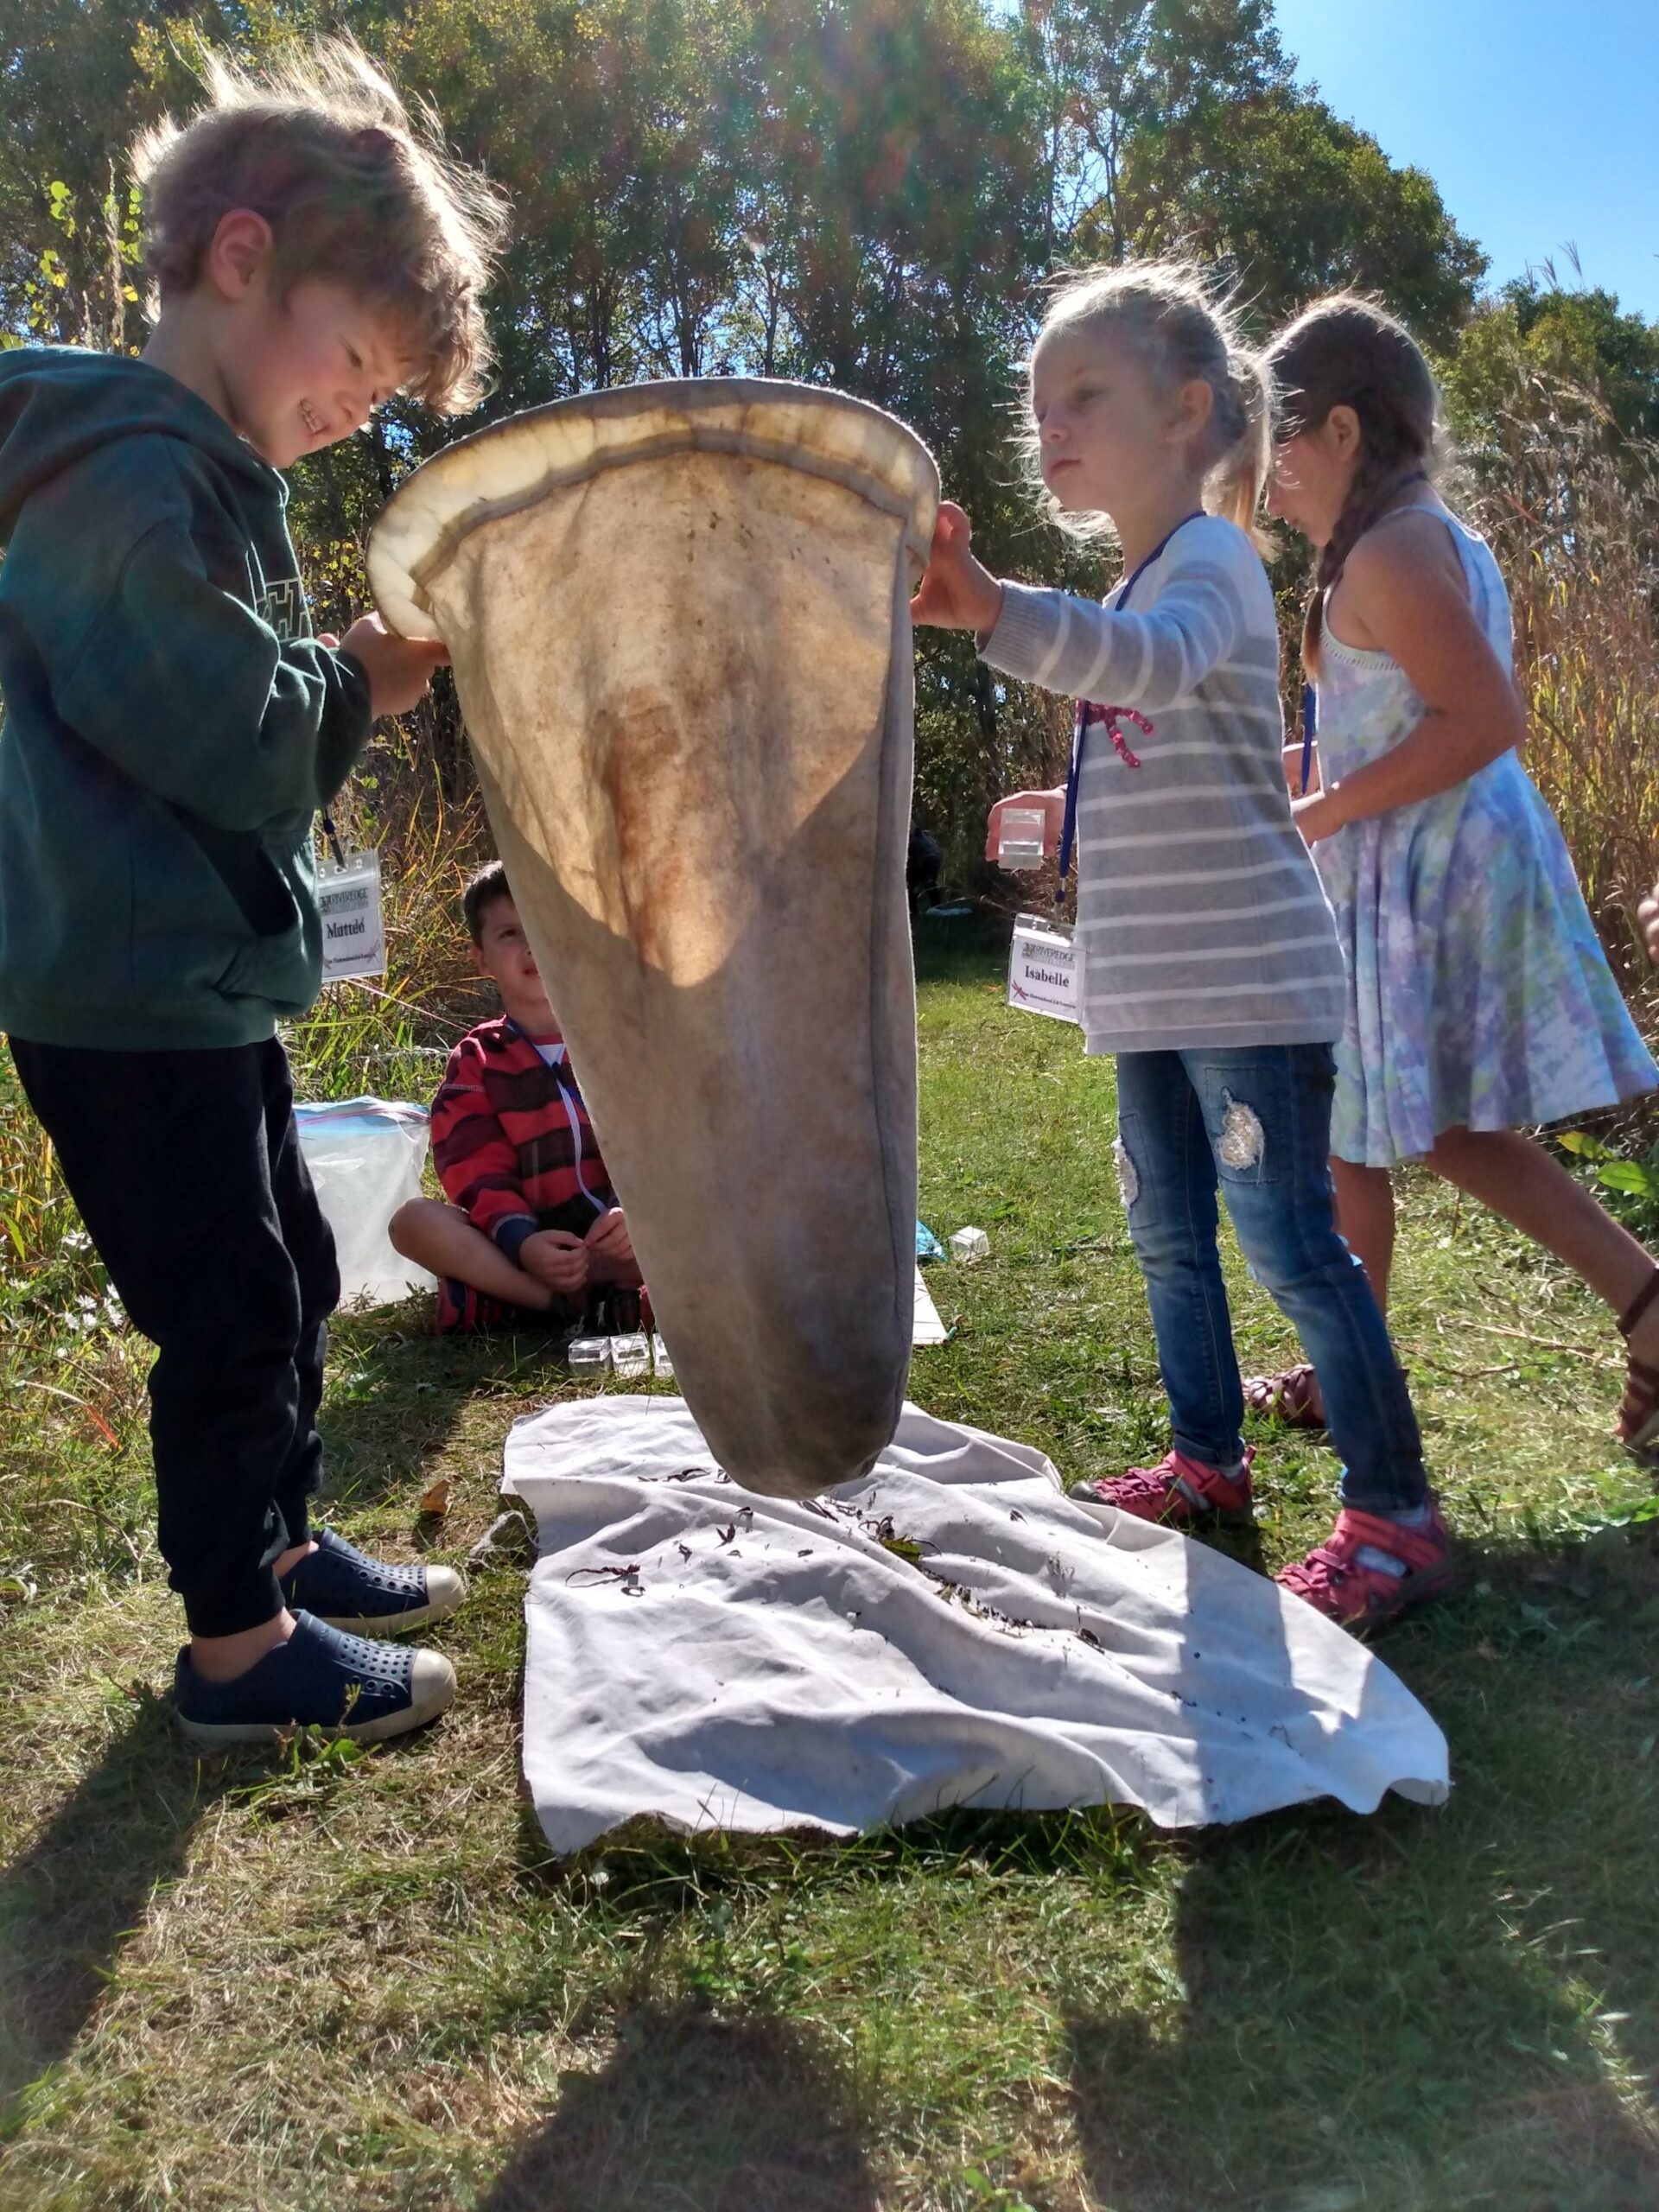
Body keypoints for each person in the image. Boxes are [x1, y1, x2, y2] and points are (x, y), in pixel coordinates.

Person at [0, 40, 509, 1747]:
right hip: (121, 984)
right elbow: (216, 725)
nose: (358, 407)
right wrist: (357, 678)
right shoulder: (122, 475)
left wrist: (334, 671)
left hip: (191, 977)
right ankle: (235, 1647)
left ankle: (281, 1548)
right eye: (354, 359)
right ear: (240, 262)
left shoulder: (197, 474)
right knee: (223, 1306)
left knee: (287, 1258)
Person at [911, 260, 1449, 1629]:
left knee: (1288, 1246)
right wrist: (1059, 804)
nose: (1053, 427)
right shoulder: (1145, 576)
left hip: (1248, 984)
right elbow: (1162, 740)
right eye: (1040, 409)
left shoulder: (1210, 557)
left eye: (1084, 395)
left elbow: (1143, 670)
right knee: (1169, 1238)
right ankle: (1209, 1464)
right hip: (1149, 989)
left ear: (1191, 408)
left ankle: (1395, 1510)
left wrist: (990, 608)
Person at [1253, 295, 1659, 1456]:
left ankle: (1365, 1361)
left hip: (1439, 869)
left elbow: (1483, 715)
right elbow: (1388, 722)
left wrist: (1324, 807)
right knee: (1393, 1130)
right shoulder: (1418, 539)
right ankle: (1365, 1356)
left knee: (1392, 1128)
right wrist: (1292, 778)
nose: (1265, 475)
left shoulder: (1389, 549)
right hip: (1426, 858)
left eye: (1275, 441)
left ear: (1337, 432)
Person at [391, 863, 645, 1332]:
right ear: (481, 959)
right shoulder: (477, 1060)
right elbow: (475, 1169)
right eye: (510, 932)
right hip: (524, 1253)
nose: (532, 945)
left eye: (545, 927)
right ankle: (556, 1303)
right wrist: (524, 1243)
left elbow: (659, 1143)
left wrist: (639, 1213)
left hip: (624, 1247)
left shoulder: (621, 1043)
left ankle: (523, 1302)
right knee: (413, 1222)